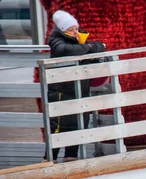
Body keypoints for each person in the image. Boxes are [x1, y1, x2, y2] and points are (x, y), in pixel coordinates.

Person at [43, 10, 105, 162]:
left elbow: (92, 53)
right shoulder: (56, 40)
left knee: (78, 123)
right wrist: (90, 47)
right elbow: (65, 51)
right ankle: (50, 158)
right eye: (71, 30)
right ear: (62, 30)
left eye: (76, 28)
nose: (75, 32)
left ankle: (71, 157)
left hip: (79, 90)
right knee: (58, 125)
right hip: (61, 91)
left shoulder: (80, 42)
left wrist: (93, 50)